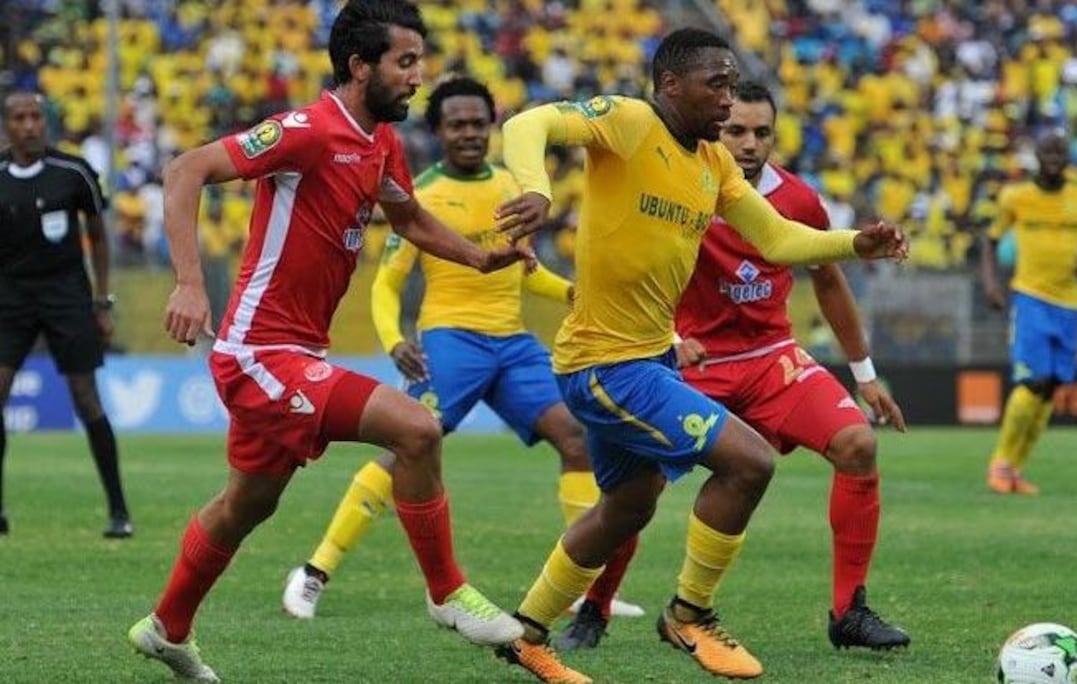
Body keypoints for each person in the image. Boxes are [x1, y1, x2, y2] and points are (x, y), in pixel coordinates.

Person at [126, 3, 536, 681]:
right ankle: (446, 595)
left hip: (298, 353)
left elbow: (408, 218)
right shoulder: (307, 131)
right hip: (259, 354)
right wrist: (190, 284)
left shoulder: (382, 143)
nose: (418, 77)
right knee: (416, 429)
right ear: (359, 66)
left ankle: (165, 628)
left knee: (246, 505)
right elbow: (185, 170)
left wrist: (477, 256)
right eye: (405, 62)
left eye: (419, 61)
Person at [491, 28, 908, 683]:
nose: (728, 99)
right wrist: (536, 189)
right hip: (605, 365)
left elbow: (777, 239)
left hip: (648, 360)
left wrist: (855, 243)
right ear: (671, 84)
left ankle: (526, 636)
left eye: (733, 85)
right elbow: (526, 123)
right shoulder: (629, 122)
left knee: (627, 506)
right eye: (717, 84)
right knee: (749, 463)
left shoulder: (713, 163)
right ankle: (689, 613)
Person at [280, 76, 643, 623]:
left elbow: (526, 271)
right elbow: (386, 284)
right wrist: (394, 340)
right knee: (406, 446)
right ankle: (315, 570)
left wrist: (573, 293)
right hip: (450, 341)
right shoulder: (419, 194)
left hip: (513, 344)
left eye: (478, 123)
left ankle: (584, 587)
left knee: (576, 438)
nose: (470, 133)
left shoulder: (512, 186)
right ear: (438, 132)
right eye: (457, 125)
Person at [0, 90, 132, 539]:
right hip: (10, 299)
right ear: (7, 126)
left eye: (36, 117)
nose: (30, 126)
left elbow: (98, 237)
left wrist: (101, 301)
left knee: (86, 398)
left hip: (66, 296)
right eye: (20, 118)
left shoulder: (73, 172)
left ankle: (119, 511)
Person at [980, 130, 1077, 495]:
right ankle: (1000, 463)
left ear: (1068, 157)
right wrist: (990, 283)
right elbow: (989, 241)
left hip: (1069, 303)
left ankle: (1015, 469)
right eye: (1047, 150)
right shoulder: (1015, 196)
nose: (1053, 157)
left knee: (1051, 389)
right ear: (1036, 154)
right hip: (1030, 298)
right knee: (1032, 381)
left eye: (1060, 151)